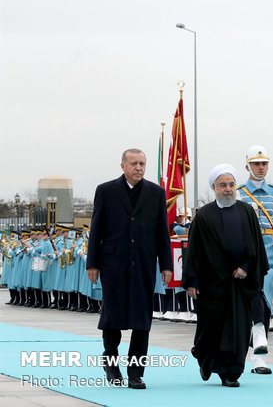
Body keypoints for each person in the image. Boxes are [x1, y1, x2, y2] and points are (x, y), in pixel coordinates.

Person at [87, 148, 173, 390]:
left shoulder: (155, 193)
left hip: (144, 264)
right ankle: (111, 364)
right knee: (113, 319)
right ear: (123, 165)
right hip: (113, 264)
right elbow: (96, 229)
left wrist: (166, 264)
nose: (138, 168)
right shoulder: (106, 191)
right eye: (133, 163)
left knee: (141, 320)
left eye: (142, 164)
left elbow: (161, 232)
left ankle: (136, 372)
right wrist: (92, 263)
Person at [183, 164, 268, 388]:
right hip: (212, 284)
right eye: (223, 185)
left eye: (231, 184)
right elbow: (195, 251)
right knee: (210, 329)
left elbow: (255, 246)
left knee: (238, 330)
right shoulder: (203, 216)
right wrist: (192, 280)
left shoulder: (246, 211)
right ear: (214, 188)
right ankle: (204, 357)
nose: (228, 189)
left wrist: (246, 268)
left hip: (239, 282)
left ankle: (231, 372)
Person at [237, 145, 273, 374]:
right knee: (246, 305)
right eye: (256, 164)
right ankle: (244, 352)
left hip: (270, 257)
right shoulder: (239, 193)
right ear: (247, 166)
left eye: (264, 163)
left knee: (265, 303)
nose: (261, 168)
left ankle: (260, 357)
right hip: (245, 257)